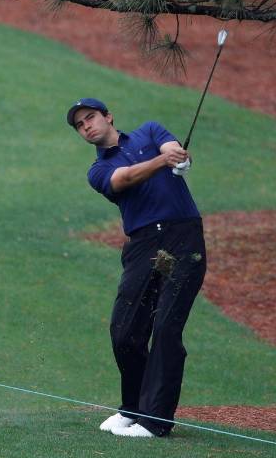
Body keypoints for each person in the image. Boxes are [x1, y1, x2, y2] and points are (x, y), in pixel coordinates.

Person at [66, 97, 207, 438]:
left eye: (91, 118)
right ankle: (133, 408)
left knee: (167, 328)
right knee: (125, 331)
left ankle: (156, 422)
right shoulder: (97, 171)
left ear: (108, 116)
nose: (86, 126)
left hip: (182, 238)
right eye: (80, 125)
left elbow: (172, 146)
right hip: (143, 245)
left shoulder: (150, 131)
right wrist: (163, 161)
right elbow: (125, 179)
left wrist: (178, 156)